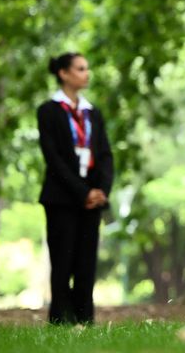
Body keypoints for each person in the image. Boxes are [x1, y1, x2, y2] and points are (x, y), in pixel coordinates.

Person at [37, 52, 113, 325]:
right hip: (62, 198)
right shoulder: (49, 111)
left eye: (86, 68)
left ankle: (85, 319)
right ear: (64, 73)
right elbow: (53, 158)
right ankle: (60, 319)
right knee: (62, 261)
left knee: (86, 263)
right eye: (80, 69)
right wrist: (82, 192)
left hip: (92, 199)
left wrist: (101, 190)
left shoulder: (93, 113)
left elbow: (104, 154)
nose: (86, 73)